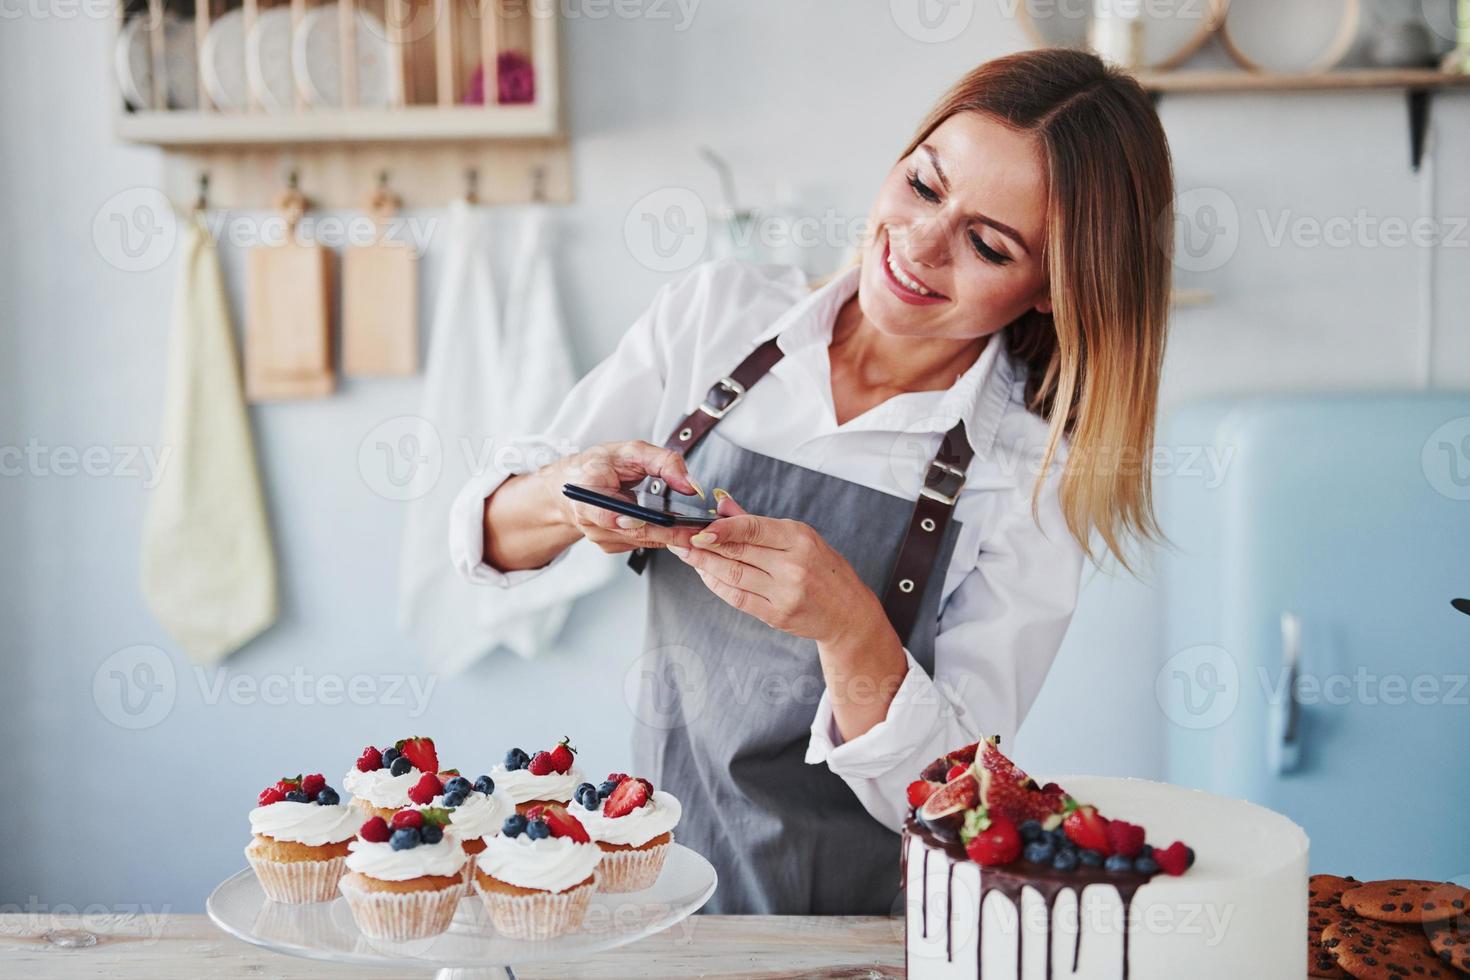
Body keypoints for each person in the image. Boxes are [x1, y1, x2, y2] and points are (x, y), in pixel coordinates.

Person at [451, 48, 1174, 914]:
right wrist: (572, 493)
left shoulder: (1033, 474)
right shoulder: (716, 316)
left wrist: (848, 626)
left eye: (986, 244)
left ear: (1054, 289)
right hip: (651, 887)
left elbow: (957, 797)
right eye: (923, 185)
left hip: (850, 934)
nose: (918, 245)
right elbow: (487, 541)